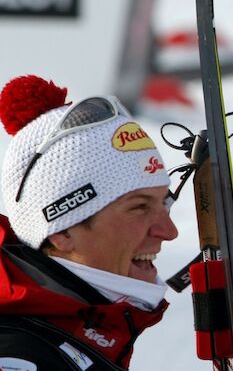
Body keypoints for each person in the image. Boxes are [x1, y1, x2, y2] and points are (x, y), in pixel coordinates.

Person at [0, 75, 177, 370]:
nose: (169, 231)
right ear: (62, 231)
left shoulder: (79, 334)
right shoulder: (21, 355)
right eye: (139, 207)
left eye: (164, 203)